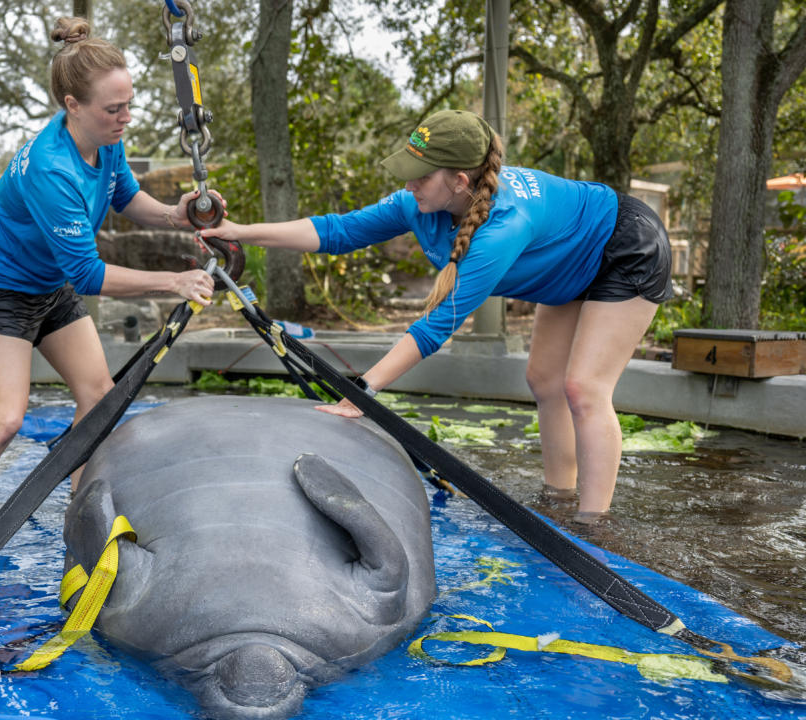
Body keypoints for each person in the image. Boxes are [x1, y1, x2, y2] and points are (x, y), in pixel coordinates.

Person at [201, 109, 673, 519]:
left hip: (623, 248)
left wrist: (361, 392)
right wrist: (240, 231)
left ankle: (593, 528)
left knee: (584, 388)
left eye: (419, 175)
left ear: (459, 182)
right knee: (545, 381)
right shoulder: (420, 202)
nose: (407, 184)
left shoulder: (503, 227)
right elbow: (337, 231)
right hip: (568, 265)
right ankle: (558, 500)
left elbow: (436, 326)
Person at [0, 17, 220, 523]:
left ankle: (77, 501)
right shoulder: (51, 168)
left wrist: (177, 215)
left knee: (98, 397)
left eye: (128, 104)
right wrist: (173, 282)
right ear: (73, 107)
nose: (126, 117)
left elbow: (126, 196)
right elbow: (89, 275)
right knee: (4, 419)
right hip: (3, 289)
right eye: (114, 108)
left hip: (51, 284)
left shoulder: (106, 138)